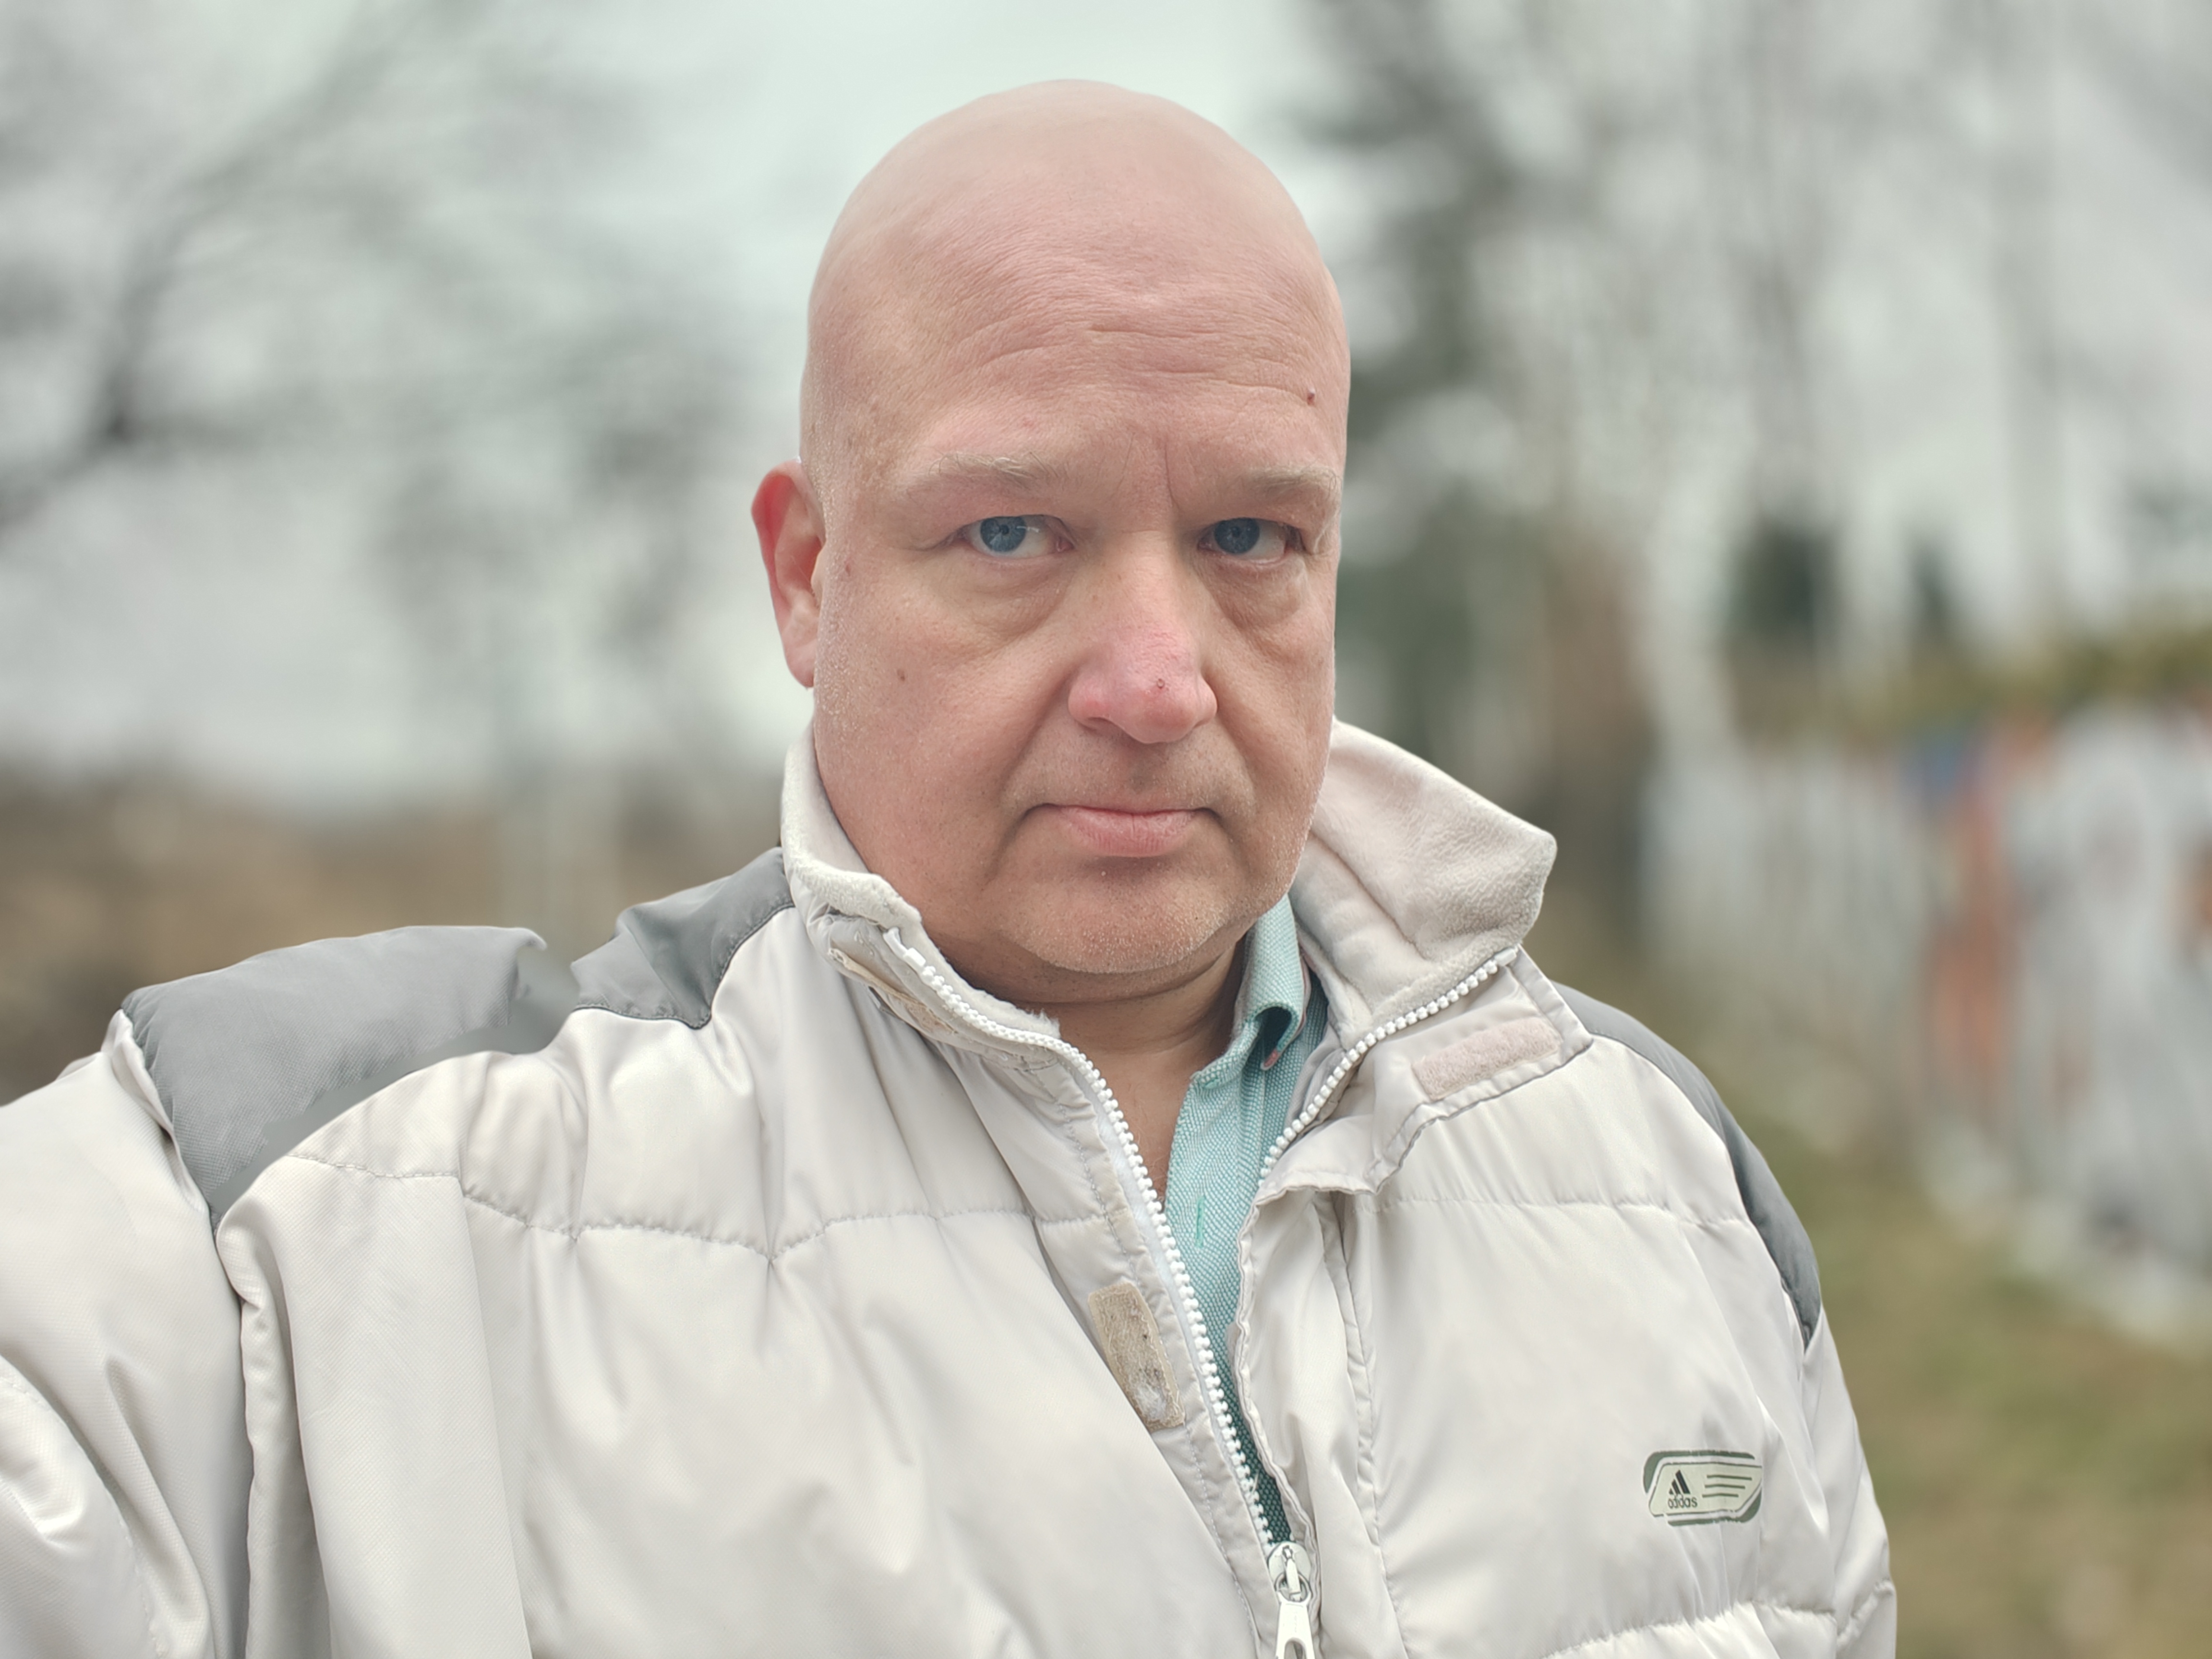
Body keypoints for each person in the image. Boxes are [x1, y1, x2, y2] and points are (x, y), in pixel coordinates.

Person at [0, 84, 1893, 1659]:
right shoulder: (328, 1222)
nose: (1156, 683)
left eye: (1249, 538)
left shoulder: (1666, 1186)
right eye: (1012, 534)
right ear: (806, 577)